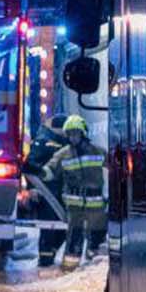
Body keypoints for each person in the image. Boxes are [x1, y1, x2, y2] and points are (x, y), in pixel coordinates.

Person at [46, 115, 105, 268]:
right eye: (70, 134)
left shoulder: (97, 151)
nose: (73, 137)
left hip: (96, 205)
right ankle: (69, 271)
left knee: (97, 241)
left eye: (75, 133)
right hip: (74, 207)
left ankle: (94, 272)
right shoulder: (63, 154)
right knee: (73, 241)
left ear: (83, 133)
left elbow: (116, 166)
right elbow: (51, 170)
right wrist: (39, 172)